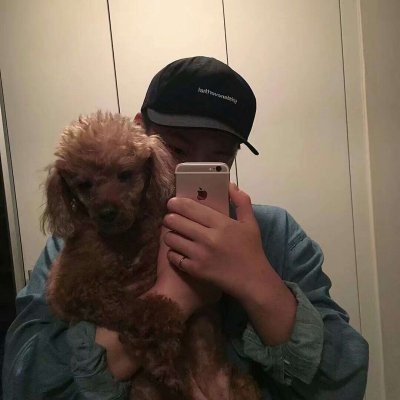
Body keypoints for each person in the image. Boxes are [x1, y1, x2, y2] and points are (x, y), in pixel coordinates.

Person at [2, 56, 368, 399]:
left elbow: (345, 381)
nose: (187, 172)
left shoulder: (276, 234)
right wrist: (173, 297)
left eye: (220, 158)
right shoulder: (84, 240)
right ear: (139, 134)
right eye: (175, 149)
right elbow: (26, 381)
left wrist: (257, 281)